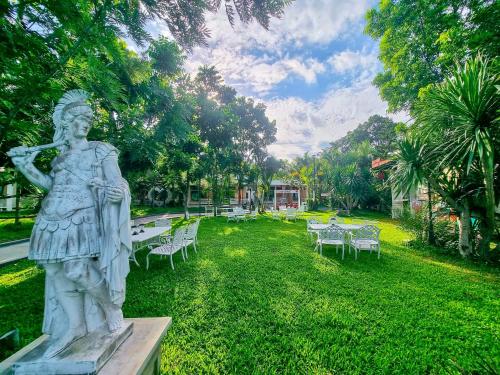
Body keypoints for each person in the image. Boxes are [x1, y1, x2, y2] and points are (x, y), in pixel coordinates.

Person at [9, 90, 132, 358]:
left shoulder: (101, 150)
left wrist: (117, 191)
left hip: (81, 218)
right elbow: (51, 185)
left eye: (88, 117)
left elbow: (117, 181)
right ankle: (75, 326)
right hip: (50, 218)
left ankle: (111, 307)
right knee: (55, 272)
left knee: (77, 269)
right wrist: (25, 167)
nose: (85, 122)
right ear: (65, 123)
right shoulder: (60, 157)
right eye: (78, 118)